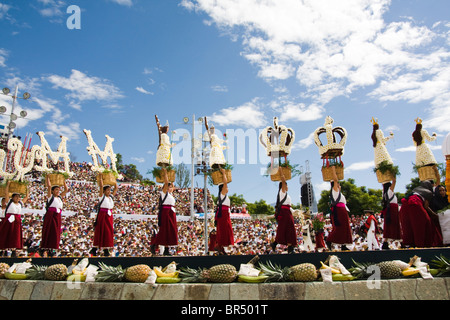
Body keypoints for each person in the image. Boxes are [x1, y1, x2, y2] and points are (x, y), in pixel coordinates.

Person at [399, 181, 443, 248]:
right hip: (415, 204)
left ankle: (411, 243)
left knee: (409, 224)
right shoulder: (428, 192)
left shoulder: (415, 190)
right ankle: (421, 244)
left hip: (404, 206)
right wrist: (434, 215)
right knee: (425, 222)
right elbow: (426, 206)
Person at [40, 175, 68, 257]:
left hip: (58, 215)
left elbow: (66, 190)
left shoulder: (59, 197)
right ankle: (46, 248)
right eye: (56, 190)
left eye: (58, 190)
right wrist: (48, 177)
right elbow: (49, 186)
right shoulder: (50, 197)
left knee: (56, 232)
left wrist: (63, 180)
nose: (58, 191)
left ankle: (53, 248)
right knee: (49, 230)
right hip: (51, 215)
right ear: (52, 191)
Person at [270, 167, 297, 254]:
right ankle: (276, 243)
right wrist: (281, 172)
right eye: (286, 185)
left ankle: (290, 247)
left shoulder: (286, 195)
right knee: (284, 229)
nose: (287, 186)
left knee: (290, 229)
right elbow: (283, 181)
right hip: (284, 213)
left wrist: (294, 211)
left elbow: (288, 206)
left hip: (287, 212)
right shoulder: (282, 192)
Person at [0, 181, 30, 257]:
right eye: (16, 196)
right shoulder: (10, 202)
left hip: (17, 220)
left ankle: (14, 250)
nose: (17, 198)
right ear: (12, 197)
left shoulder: (20, 203)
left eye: (18, 197)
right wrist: (8, 184)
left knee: (16, 235)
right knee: (7, 234)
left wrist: (27, 190)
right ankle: (4, 249)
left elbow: (26, 197)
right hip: (10, 219)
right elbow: (6, 194)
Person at [326, 165, 353, 251]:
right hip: (339, 211)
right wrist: (333, 170)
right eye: (338, 183)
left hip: (342, 211)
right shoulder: (334, 190)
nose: (339, 184)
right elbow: (335, 180)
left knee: (345, 228)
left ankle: (343, 244)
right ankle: (329, 240)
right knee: (340, 227)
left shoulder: (339, 193)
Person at [91, 174, 118, 257]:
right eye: (108, 190)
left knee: (108, 231)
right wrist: (101, 176)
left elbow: (116, 188)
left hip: (109, 215)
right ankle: (95, 248)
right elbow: (101, 186)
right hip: (103, 215)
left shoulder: (111, 198)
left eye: (110, 190)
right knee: (101, 230)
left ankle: (106, 249)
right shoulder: (101, 197)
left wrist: (115, 179)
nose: (109, 191)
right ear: (104, 191)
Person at [154, 168, 178, 255]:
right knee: (165, 229)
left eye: (171, 187)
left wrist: (172, 181)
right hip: (166, 212)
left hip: (171, 212)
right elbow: (166, 182)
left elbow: (171, 185)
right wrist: (165, 173)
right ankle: (159, 245)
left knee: (170, 230)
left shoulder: (171, 195)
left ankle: (167, 248)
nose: (170, 188)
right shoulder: (164, 193)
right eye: (169, 187)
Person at [214, 168, 234, 255]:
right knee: (224, 230)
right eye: (226, 187)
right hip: (223, 214)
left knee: (224, 230)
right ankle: (220, 246)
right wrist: (223, 173)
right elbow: (225, 182)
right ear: (223, 188)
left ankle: (221, 247)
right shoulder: (222, 193)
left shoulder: (222, 195)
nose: (227, 188)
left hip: (224, 213)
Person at [380, 177, 402, 249]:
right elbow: (394, 182)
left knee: (389, 227)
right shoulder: (389, 191)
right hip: (392, 210)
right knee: (396, 226)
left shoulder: (384, 193)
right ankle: (402, 242)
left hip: (389, 210)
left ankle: (385, 243)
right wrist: (393, 175)